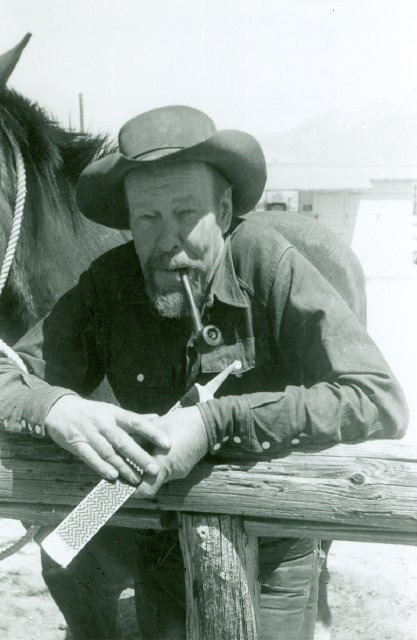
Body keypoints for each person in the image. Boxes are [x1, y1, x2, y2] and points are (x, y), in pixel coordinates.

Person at [0, 105, 407, 640]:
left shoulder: (270, 264)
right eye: (148, 217)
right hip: (160, 545)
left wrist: (216, 422)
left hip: (273, 546)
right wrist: (57, 408)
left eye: (187, 213)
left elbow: (378, 399)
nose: (168, 239)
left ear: (224, 209)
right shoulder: (110, 281)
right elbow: (9, 373)